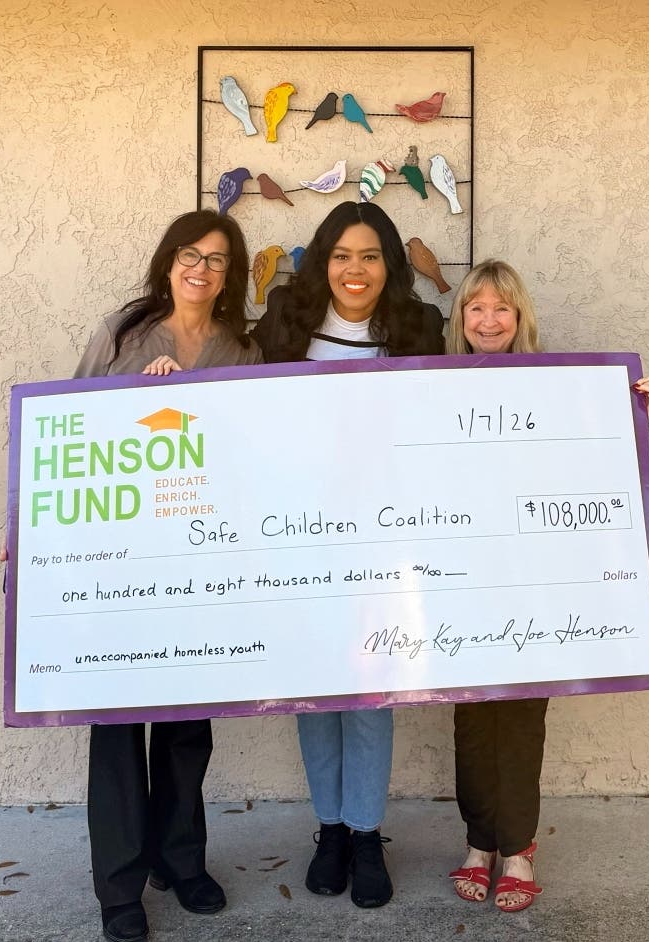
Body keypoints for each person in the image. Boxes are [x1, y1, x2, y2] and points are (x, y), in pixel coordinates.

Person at [444, 259, 649, 913]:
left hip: (534, 583)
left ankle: (517, 848)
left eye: (501, 309)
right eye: (475, 308)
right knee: (473, 721)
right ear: (461, 319)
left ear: (520, 318)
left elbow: (592, 456)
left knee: (523, 719)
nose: (488, 320)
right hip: (463, 582)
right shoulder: (430, 386)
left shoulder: (557, 386)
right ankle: (479, 843)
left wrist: (634, 412)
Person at [250, 200, 445, 907]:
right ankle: (327, 828)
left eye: (369, 256)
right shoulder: (283, 324)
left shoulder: (420, 326)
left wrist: (610, 404)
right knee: (313, 684)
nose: (354, 270)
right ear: (321, 262)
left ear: (388, 264)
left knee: (369, 687)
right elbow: (234, 414)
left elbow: (462, 413)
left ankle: (365, 833)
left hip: (387, 537)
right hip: (295, 534)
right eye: (341, 255)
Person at [77, 209, 262, 942]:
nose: (201, 268)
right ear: (168, 260)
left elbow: (244, 454)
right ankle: (119, 888)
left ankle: (181, 861)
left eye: (217, 260)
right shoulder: (123, 332)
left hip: (199, 562)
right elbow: (65, 429)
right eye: (190, 254)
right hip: (118, 558)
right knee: (119, 729)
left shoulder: (240, 350)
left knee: (188, 725)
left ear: (231, 275)